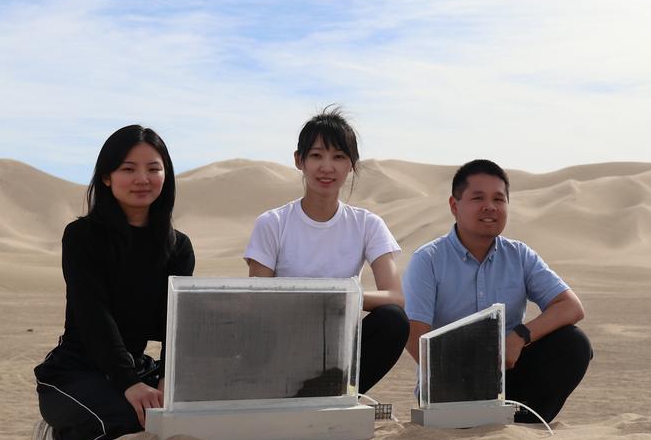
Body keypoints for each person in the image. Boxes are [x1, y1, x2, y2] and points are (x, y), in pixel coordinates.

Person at [33, 125, 194, 440]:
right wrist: (129, 383)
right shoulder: (82, 237)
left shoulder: (178, 247)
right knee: (129, 421)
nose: (142, 179)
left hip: (136, 367)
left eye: (153, 169)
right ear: (107, 177)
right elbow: (93, 315)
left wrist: (167, 380)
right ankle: (55, 436)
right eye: (128, 169)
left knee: (193, 412)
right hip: (76, 372)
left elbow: (176, 325)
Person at [402, 159, 592, 423]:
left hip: (507, 376)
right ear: (454, 206)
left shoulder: (520, 256)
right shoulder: (428, 260)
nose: (489, 207)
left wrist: (519, 336)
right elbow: (415, 337)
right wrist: (463, 370)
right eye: (478, 197)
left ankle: (524, 431)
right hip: (450, 384)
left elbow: (571, 306)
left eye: (499, 199)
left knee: (573, 343)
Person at [244, 107, 408, 393]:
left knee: (393, 321)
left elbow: (395, 297)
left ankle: (333, 396)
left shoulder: (367, 224)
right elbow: (259, 299)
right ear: (300, 160)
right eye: (317, 155)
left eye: (339, 157)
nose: (327, 167)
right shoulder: (273, 223)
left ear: (352, 165)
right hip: (281, 347)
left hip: (338, 348)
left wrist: (338, 296)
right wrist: (310, 299)